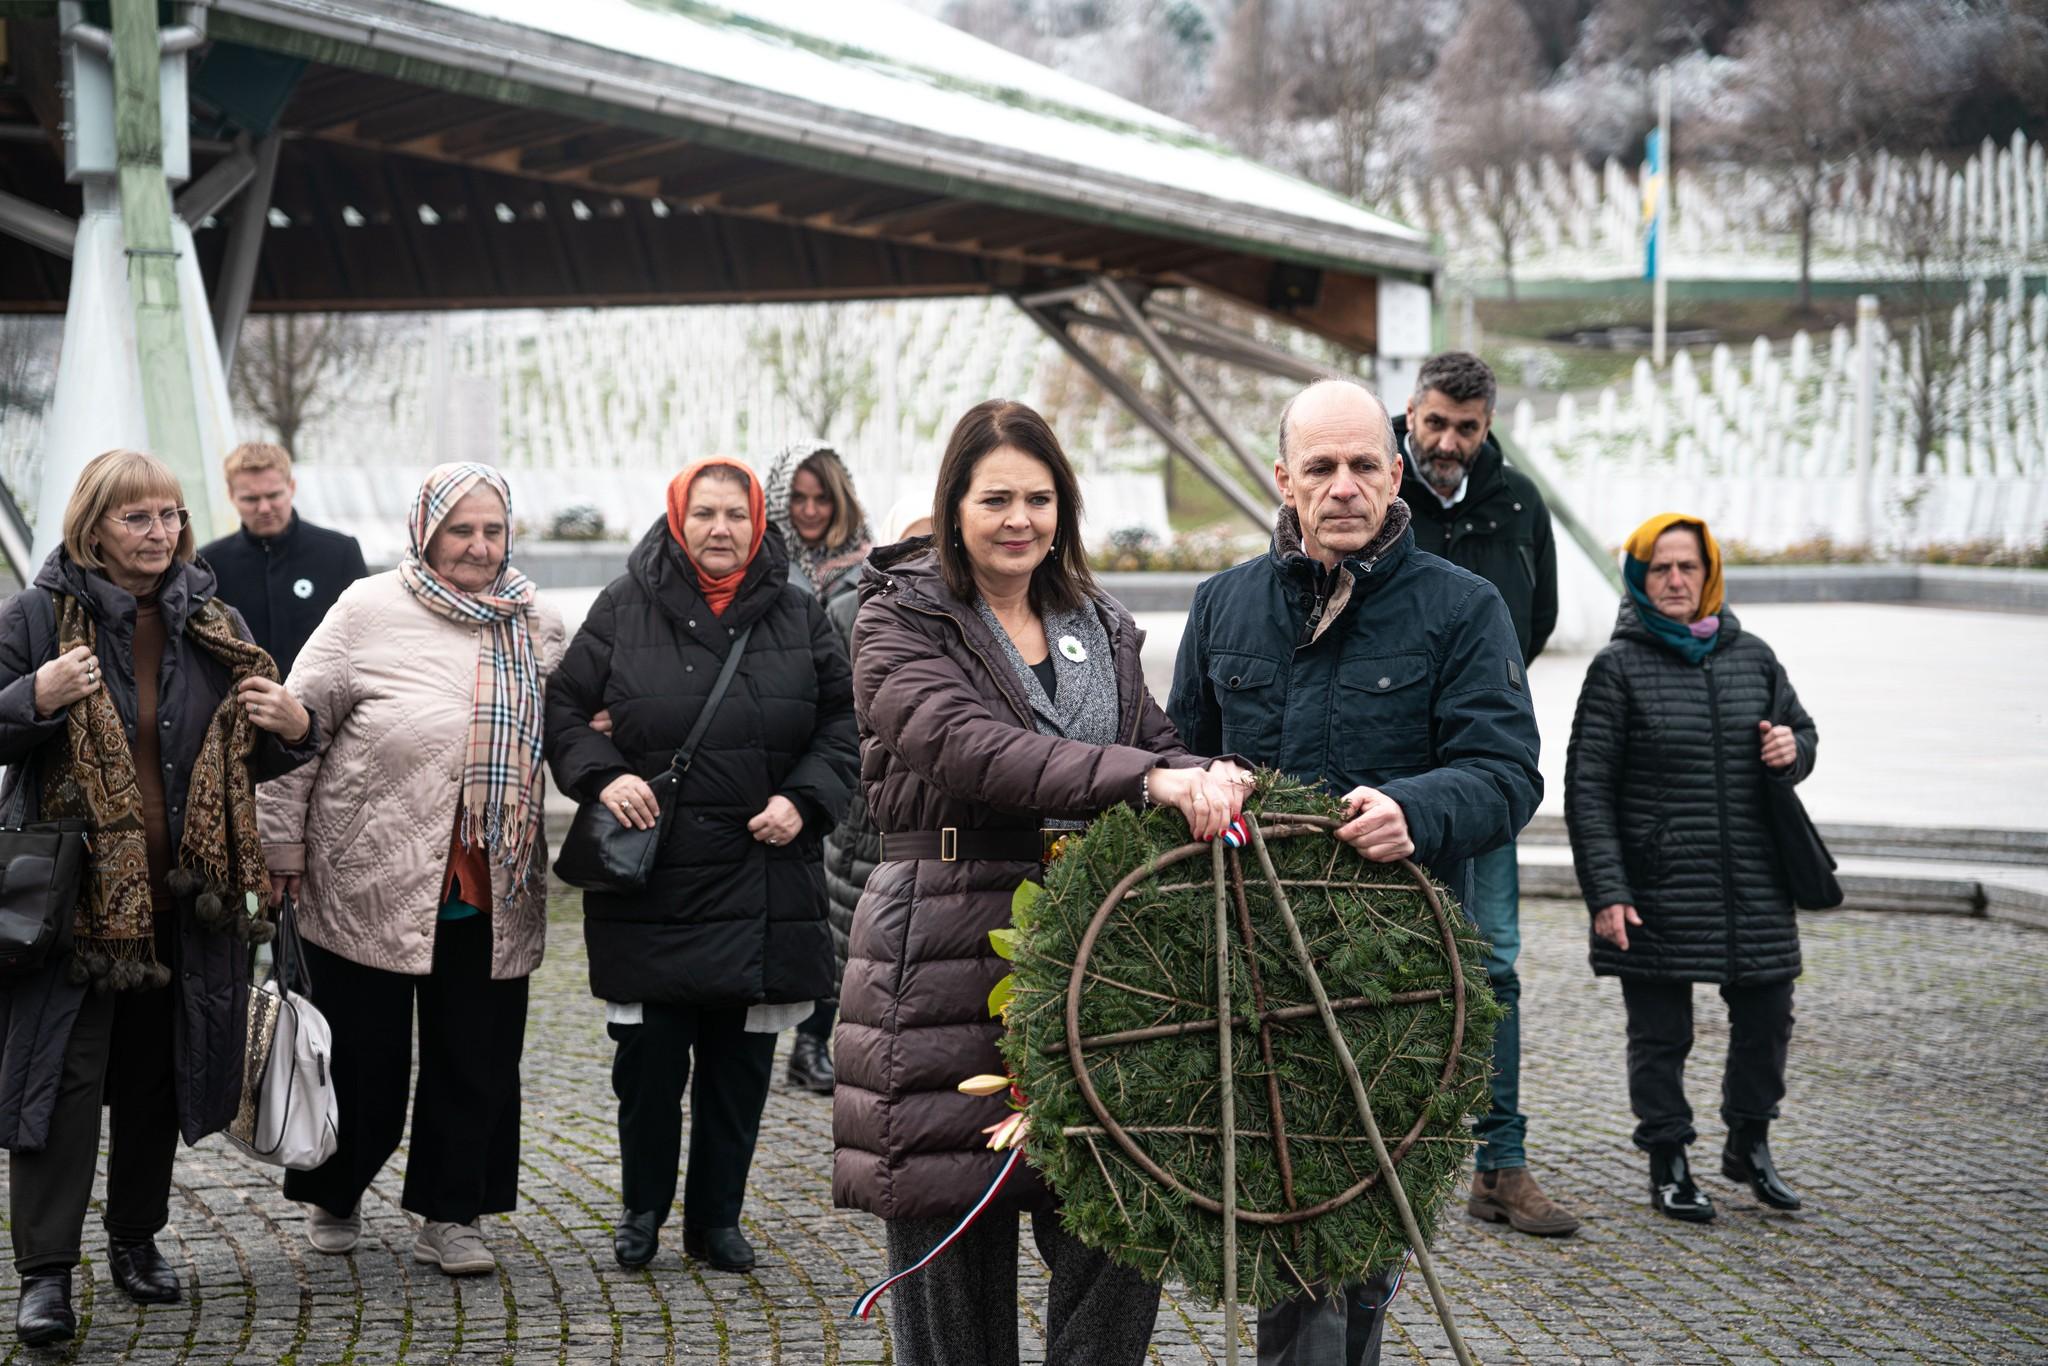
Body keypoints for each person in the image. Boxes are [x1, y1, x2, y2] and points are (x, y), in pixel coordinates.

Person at [834, 399, 1253, 1366]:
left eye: (1039, 497)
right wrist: (1146, 779)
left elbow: (1151, 741)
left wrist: (1210, 776)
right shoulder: (899, 619)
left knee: (1121, 1216)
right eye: (996, 499)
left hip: (1095, 954)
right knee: (954, 1257)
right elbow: (970, 748)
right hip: (941, 952)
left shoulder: (1096, 621)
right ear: (954, 507)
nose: (1019, 518)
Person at [1167, 378, 1542, 1366]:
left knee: (1359, 1242)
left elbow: (1506, 774)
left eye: (1363, 464)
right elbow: (1177, 761)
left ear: (1395, 471)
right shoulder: (1222, 606)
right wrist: (1197, 785)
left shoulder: (1462, 611)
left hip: (1400, 987)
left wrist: (1417, 808)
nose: (1343, 486)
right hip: (1254, 977)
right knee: (1296, 1233)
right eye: (1320, 468)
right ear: (1282, 479)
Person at [0, 449, 317, 1346]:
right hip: (72, 908)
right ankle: (46, 1276)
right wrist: (34, 693)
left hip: (186, 903)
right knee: (60, 1084)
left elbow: (254, 745)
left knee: (153, 1082)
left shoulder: (211, 624)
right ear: (93, 524)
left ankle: (136, 1240)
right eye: (137, 518)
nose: (160, 534)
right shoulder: (35, 618)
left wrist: (298, 727)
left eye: (171, 516)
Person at [545, 457, 857, 1275]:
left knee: (739, 1067)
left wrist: (805, 799)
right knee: (647, 1068)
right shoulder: (622, 606)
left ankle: (717, 1218)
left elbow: (843, 723)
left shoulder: (797, 612)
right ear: (678, 519)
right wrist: (605, 776)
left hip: (763, 870)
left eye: (737, 516)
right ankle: (642, 1208)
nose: (721, 530)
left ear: (762, 526)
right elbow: (566, 710)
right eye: (705, 514)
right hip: (655, 878)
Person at [257, 462, 566, 1277]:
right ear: (425, 532)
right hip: (368, 874)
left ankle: (453, 1213)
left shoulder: (534, 622)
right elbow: (298, 729)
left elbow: (582, 721)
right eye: (461, 529)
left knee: (479, 1060)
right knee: (361, 1058)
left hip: (490, 883)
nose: (479, 545)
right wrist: (280, 849)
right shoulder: (366, 609)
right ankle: (336, 1186)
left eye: (493, 529)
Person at [1564, 513, 1815, 1223]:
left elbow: (1804, 731)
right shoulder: (1617, 668)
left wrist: (1791, 750)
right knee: (1661, 1035)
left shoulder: (1754, 656)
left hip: (1753, 880)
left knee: (1768, 1015)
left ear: (1709, 576)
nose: (1677, 580)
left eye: (1690, 568)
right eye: (1661, 568)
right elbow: (1588, 787)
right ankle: (1668, 1160)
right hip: (1656, 884)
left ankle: (1750, 1143)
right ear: (1639, 577)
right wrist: (1606, 892)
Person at [1392, 352, 1575, 1238]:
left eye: (1465, 428)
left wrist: (1478, 711)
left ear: (1487, 424)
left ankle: (1500, 1164)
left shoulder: (1518, 503)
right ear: (1412, 414)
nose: (1447, 443)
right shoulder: (1375, 486)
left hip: (1481, 772)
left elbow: (1529, 624)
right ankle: (1374, 1151)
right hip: (1386, 775)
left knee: (1494, 963)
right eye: (1435, 423)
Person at [762, 441, 873, 1096]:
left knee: (836, 911)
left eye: (821, 497)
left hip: (843, 756)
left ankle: (814, 1043)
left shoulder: (870, 566)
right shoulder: (766, 566)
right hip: (775, 751)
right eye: (797, 498)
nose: (809, 510)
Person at [197, 442, 369, 679]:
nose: (264, 508)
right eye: (250, 499)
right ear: (231, 496)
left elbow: (366, 641)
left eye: (274, 495)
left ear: (291, 487)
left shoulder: (340, 553)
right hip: (242, 707)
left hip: (324, 707)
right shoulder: (209, 565)